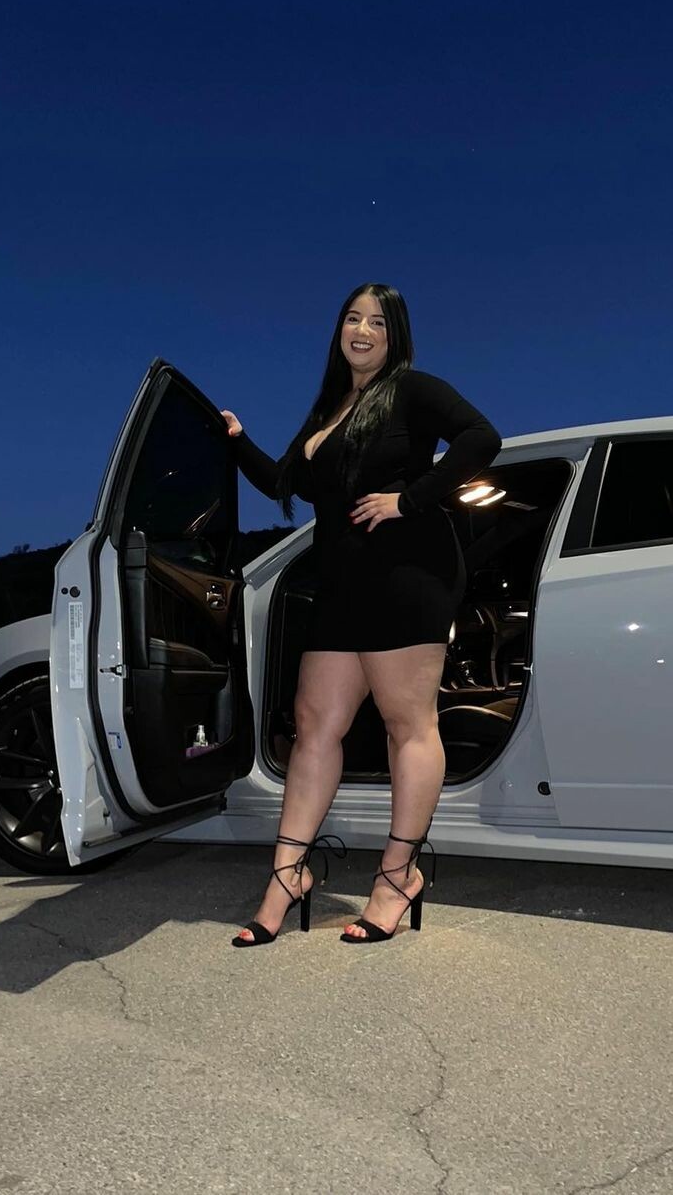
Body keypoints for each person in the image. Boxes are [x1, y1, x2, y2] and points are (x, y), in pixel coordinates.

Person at [221, 283, 501, 946]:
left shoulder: (412, 391)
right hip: (342, 584)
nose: (363, 330)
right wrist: (234, 439)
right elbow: (285, 482)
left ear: (394, 335)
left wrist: (410, 499)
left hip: (407, 574)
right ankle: (287, 875)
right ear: (339, 330)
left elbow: (481, 437)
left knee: (408, 724)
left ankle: (398, 876)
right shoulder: (329, 408)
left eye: (378, 321)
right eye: (353, 318)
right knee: (316, 724)